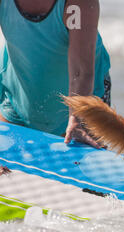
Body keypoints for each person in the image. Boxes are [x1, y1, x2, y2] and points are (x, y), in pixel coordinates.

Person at [0, 0, 110, 148]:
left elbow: (81, 71)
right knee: (9, 163)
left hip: (85, 95)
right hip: (16, 94)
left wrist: (77, 119)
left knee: (81, 166)